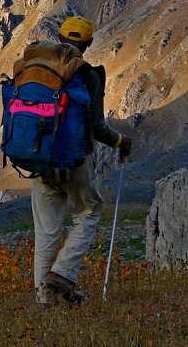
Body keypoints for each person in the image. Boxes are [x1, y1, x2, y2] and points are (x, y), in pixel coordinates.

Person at [29, 15, 131, 305]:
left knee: (46, 230)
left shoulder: (37, 67)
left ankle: (44, 300)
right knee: (89, 211)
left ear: (60, 37)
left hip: (39, 158)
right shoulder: (87, 74)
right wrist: (121, 141)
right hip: (75, 159)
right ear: (87, 43)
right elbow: (97, 127)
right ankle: (62, 273)